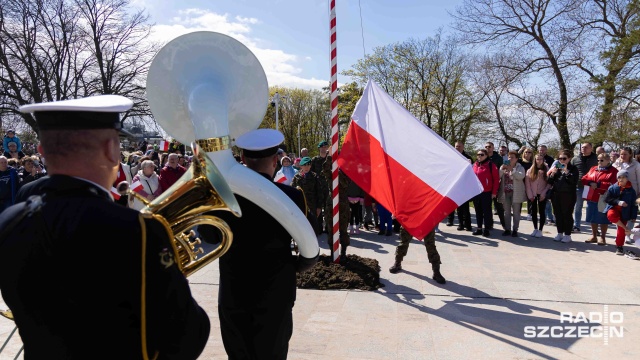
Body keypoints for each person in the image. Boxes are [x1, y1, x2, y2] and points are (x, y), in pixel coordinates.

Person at [0, 95, 210, 359]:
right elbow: (186, 336)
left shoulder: (9, 222)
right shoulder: (138, 230)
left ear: (42, 151)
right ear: (112, 150)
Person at [211, 128, 318, 360]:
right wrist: (295, 266)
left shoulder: (221, 196)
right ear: (275, 160)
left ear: (242, 160)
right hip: (275, 291)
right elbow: (312, 239)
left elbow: (209, 237)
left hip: (234, 290)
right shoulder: (292, 195)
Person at [581, 153, 617, 245]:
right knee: (593, 217)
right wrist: (590, 183)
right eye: (598, 160)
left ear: (608, 160)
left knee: (603, 218)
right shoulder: (593, 168)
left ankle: (603, 237)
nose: (599, 162)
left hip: (603, 197)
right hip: (592, 196)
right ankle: (594, 236)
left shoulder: (613, 171)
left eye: (602, 160)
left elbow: (614, 184)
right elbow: (584, 178)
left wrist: (599, 185)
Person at [603, 170, 638, 255]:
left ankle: (619, 246)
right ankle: (625, 228)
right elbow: (607, 199)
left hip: (625, 212)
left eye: (623, 177)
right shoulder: (613, 188)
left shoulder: (631, 190)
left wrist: (633, 216)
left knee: (621, 231)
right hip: (614, 208)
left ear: (627, 178)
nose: (621, 179)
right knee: (611, 215)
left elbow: (634, 204)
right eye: (619, 177)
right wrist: (618, 202)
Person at [548, 149, 579, 243]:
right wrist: (552, 174)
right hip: (556, 194)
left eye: (564, 158)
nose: (562, 160)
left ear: (569, 158)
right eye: (560, 158)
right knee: (557, 214)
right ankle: (560, 232)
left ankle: (568, 234)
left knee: (567, 214)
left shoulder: (573, 168)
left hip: (568, 195)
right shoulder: (557, 168)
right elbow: (549, 182)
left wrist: (566, 171)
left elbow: (573, 181)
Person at [612, 147, 640, 244]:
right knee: (620, 215)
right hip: (619, 192)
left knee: (631, 214)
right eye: (621, 154)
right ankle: (620, 234)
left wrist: (639, 192)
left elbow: (639, 179)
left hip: (633, 192)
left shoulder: (636, 165)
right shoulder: (616, 164)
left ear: (630, 155)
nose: (623, 156)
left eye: (625, 154)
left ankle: (627, 234)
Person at [498, 150, 527, 237]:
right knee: (506, 212)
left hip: (516, 193)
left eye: (512, 157)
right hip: (505, 192)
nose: (510, 159)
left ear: (516, 159)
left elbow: (521, 176)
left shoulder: (520, 167)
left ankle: (515, 230)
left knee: (516, 212)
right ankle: (507, 229)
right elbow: (498, 176)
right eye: (509, 157)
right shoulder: (504, 166)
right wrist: (501, 170)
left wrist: (512, 170)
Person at [570, 142, 598, 233]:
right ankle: (577, 225)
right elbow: (570, 170)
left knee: (591, 207)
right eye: (582, 147)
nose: (583, 149)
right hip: (579, 186)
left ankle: (594, 228)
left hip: (592, 187)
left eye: (586, 147)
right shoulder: (575, 159)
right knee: (578, 207)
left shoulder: (596, 159)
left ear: (591, 148)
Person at [472, 149, 500, 237]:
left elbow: (496, 180)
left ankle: (487, 229)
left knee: (486, 211)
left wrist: (494, 192)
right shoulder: (475, 165)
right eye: (478, 154)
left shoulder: (491, 165)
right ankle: (479, 228)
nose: (479, 156)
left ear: (486, 155)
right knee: (478, 211)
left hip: (487, 192)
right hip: (476, 192)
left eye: (482, 154)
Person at [291, 156, 323, 233]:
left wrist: (319, 207)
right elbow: (292, 190)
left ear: (310, 166)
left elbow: (319, 192)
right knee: (301, 224)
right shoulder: (297, 177)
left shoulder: (315, 176)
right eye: (304, 165)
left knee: (312, 224)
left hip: (312, 204)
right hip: (300, 203)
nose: (306, 167)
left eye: (308, 165)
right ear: (301, 166)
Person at [447, 141, 473, 231]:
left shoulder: (468, 158)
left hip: (464, 185)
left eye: (459, 146)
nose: (457, 148)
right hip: (454, 185)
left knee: (465, 207)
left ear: (463, 147)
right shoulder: (451, 157)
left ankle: (468, 225)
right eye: (456, 146)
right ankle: (460, 224)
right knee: (457, 206)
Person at [525, 154, 551, 238]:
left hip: (542, 194)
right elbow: (527, 184)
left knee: (542, 211)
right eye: (537, 159)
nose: (538, 161)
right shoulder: (530, 170)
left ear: (543, 160)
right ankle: (535, 228)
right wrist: (530, 195)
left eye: (540, 159)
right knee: (533, 212)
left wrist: (544, 193)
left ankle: (540, 229)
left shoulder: (547, 169)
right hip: (533, 194)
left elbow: (549, 183)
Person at [311, 140, 332, 234]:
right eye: (322, 147)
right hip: (318, 187)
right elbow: (311, 173)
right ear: (319, 148)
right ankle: (318, 227)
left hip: (328, 187)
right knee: (318, 208)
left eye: (325, 147)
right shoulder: (314, 160)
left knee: (328, 208)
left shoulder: (330, 159)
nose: (324, 148)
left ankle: (328, 227)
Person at [484, 142, 506, 229]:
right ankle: (490, 224)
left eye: (489, 147)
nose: (487, 148)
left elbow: (501, 171)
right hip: (486, 185)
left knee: (499, 206)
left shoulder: (498, 158)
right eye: (486, 147)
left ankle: (504, 225)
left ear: (493, 148)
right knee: (487, 206)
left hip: (496, 184)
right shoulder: (483, 157)